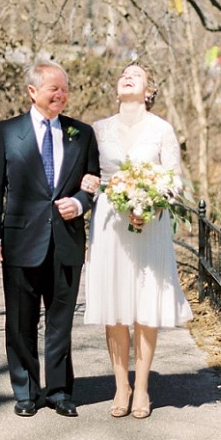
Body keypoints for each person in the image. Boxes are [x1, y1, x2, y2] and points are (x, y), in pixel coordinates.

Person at [0, 60, 100, 417]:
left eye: (65, 89)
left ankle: (60, 391)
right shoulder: (6, 132)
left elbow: (92, 181)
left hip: (66, 242)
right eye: (54, 89)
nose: (61, 95)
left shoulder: (82, 133)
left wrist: (79, 204)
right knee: (21, 320)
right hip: (20, 242)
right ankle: (26, 392)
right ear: (33, 92)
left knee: (60, 321)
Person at [81, 63, 193, 419]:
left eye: (137, 75)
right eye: (123, 75)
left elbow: (175, 181)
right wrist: (87, 184)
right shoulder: (97, 130)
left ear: (148, 91)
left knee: (145, 304)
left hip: (150, 223)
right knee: (114, 306)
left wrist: (153, 204)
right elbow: (87, 174)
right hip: (109, 223)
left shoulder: (162, 130)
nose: (127, 77)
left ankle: (142, 386)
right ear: (117, 91)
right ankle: (121, 384)